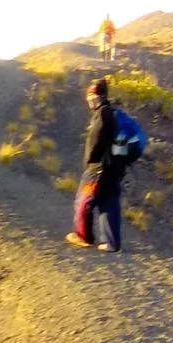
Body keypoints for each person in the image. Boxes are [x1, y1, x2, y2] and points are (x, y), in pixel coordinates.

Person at [68, 78, 127, 252]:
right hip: (115, 168)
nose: (88, 100)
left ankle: (83, 235)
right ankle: (111, 242)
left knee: (83, 200)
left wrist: (89, 164)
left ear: (95, 96)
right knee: (109, 202)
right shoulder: (115, 113)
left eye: (90, 95)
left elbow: (95, 141)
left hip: (98, 168)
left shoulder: (101, 114)